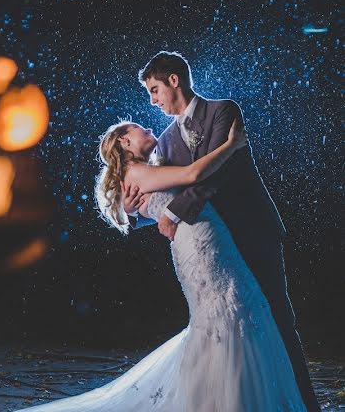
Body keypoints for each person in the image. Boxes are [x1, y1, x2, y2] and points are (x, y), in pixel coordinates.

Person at [15, 117, 306, 411]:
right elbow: (193, 175)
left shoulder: (142, 172)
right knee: (228, 314)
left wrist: (130, 210)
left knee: (227, 315)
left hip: (201, 242)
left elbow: (153, 206)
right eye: (140, 129)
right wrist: (232, 145)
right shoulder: (138, 172)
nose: (149, 129)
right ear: (125, 142)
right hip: (200, 245)